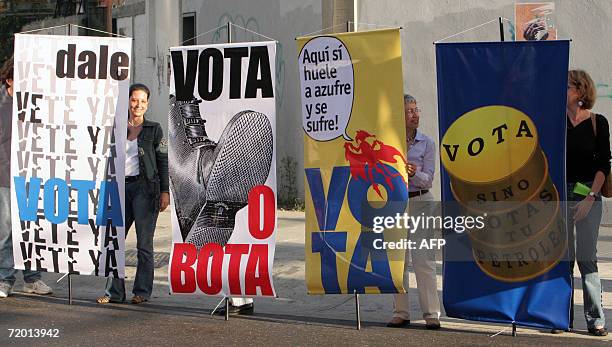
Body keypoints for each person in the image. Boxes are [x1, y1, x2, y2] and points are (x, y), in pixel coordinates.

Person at [97, 83, 169, 304]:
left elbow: (163, 161)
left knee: (143, 244)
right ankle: (114, 293)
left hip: (145, 190)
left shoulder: (154, 129)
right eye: (134, 100)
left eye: (143, 101)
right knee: (113, 241)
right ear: (128, 102)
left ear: (147, 105)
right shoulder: (115, 127)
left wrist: (165, 191)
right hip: (118, 189)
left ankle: (142, 292)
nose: (138, 105)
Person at [0, 57, 53, 298]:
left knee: (32, 227)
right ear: (9, 79)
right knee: (7, 229)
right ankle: (4, 279)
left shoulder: (35, 101)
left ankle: (32, 280)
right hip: (4, 175)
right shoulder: (1, 103)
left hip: (33, 174)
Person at [387, 94, 441, 329]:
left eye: (416, 109)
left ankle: (432, 314)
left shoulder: (427, 143)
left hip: (421, 202)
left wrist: (413, 173)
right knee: (398, 259)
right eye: (409, 111)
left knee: (423, 259)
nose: (415, 114)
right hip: (396, 203)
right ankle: (401, 312)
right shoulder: (390, 142)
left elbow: (428, 179)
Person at [563, 69, 609, 336]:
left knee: (587, 258)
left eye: (567, 86)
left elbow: (604, 164)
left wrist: (590, 198)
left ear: (580, 91)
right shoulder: (557, 122)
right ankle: (561, 317)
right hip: (559, 197)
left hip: (589, 194)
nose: (563, 89)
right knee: (564, 259)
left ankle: (595, 320)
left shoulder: (597, 123)